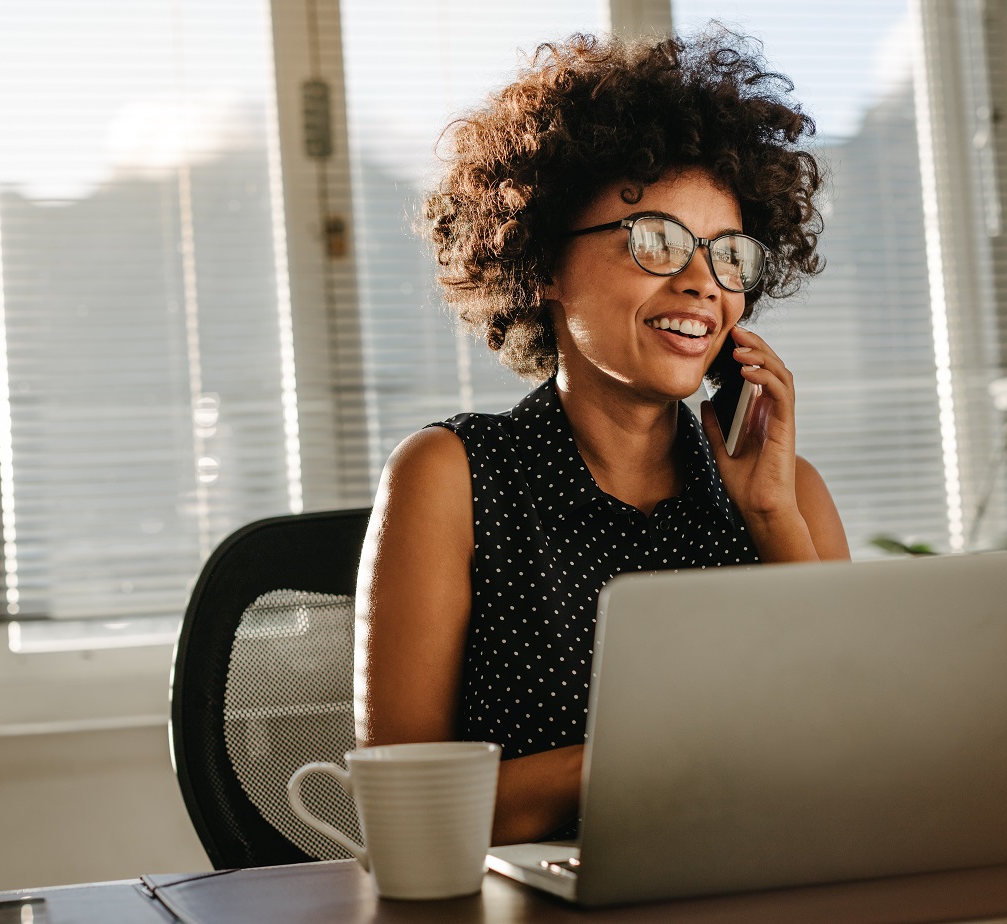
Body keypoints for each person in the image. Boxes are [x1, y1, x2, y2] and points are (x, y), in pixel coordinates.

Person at [354, 28, 851, 846]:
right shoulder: (451, 477)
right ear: (545, 262)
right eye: (656, 241)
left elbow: (858, 758)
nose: (702, 282)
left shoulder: (787, 495)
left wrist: (772, 520)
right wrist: (650, 756)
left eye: (728, 254)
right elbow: (405, 812)